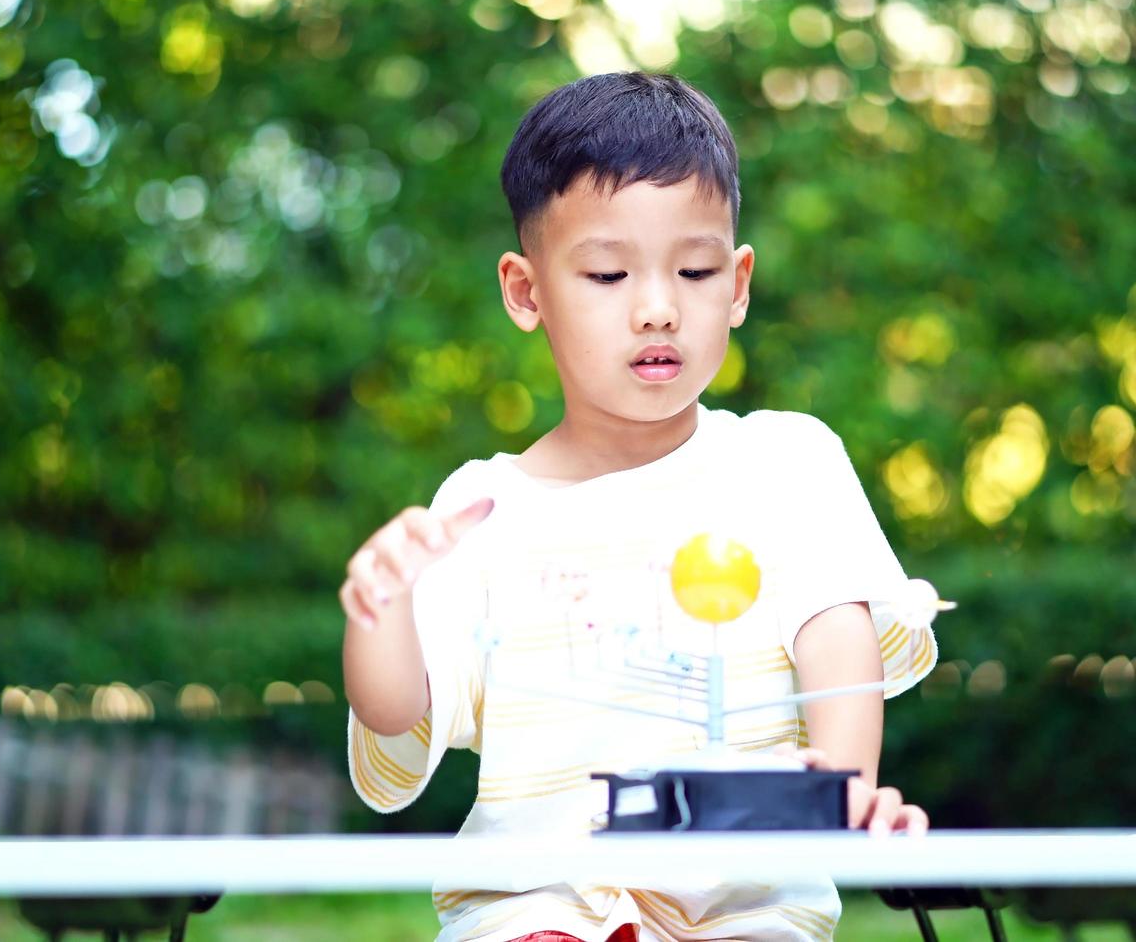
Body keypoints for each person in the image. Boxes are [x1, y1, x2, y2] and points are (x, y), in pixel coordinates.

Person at [339, 72, 936, 942]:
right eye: (610, 273)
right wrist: (379, 609)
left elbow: (835, 634)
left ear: (736, 286)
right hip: (533, 913)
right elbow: (397, 713)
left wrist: (837, 794)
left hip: (746, 915)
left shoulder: (786, 462)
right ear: (526, 291)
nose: (658, 309)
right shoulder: (481, 507)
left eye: (694, 271)